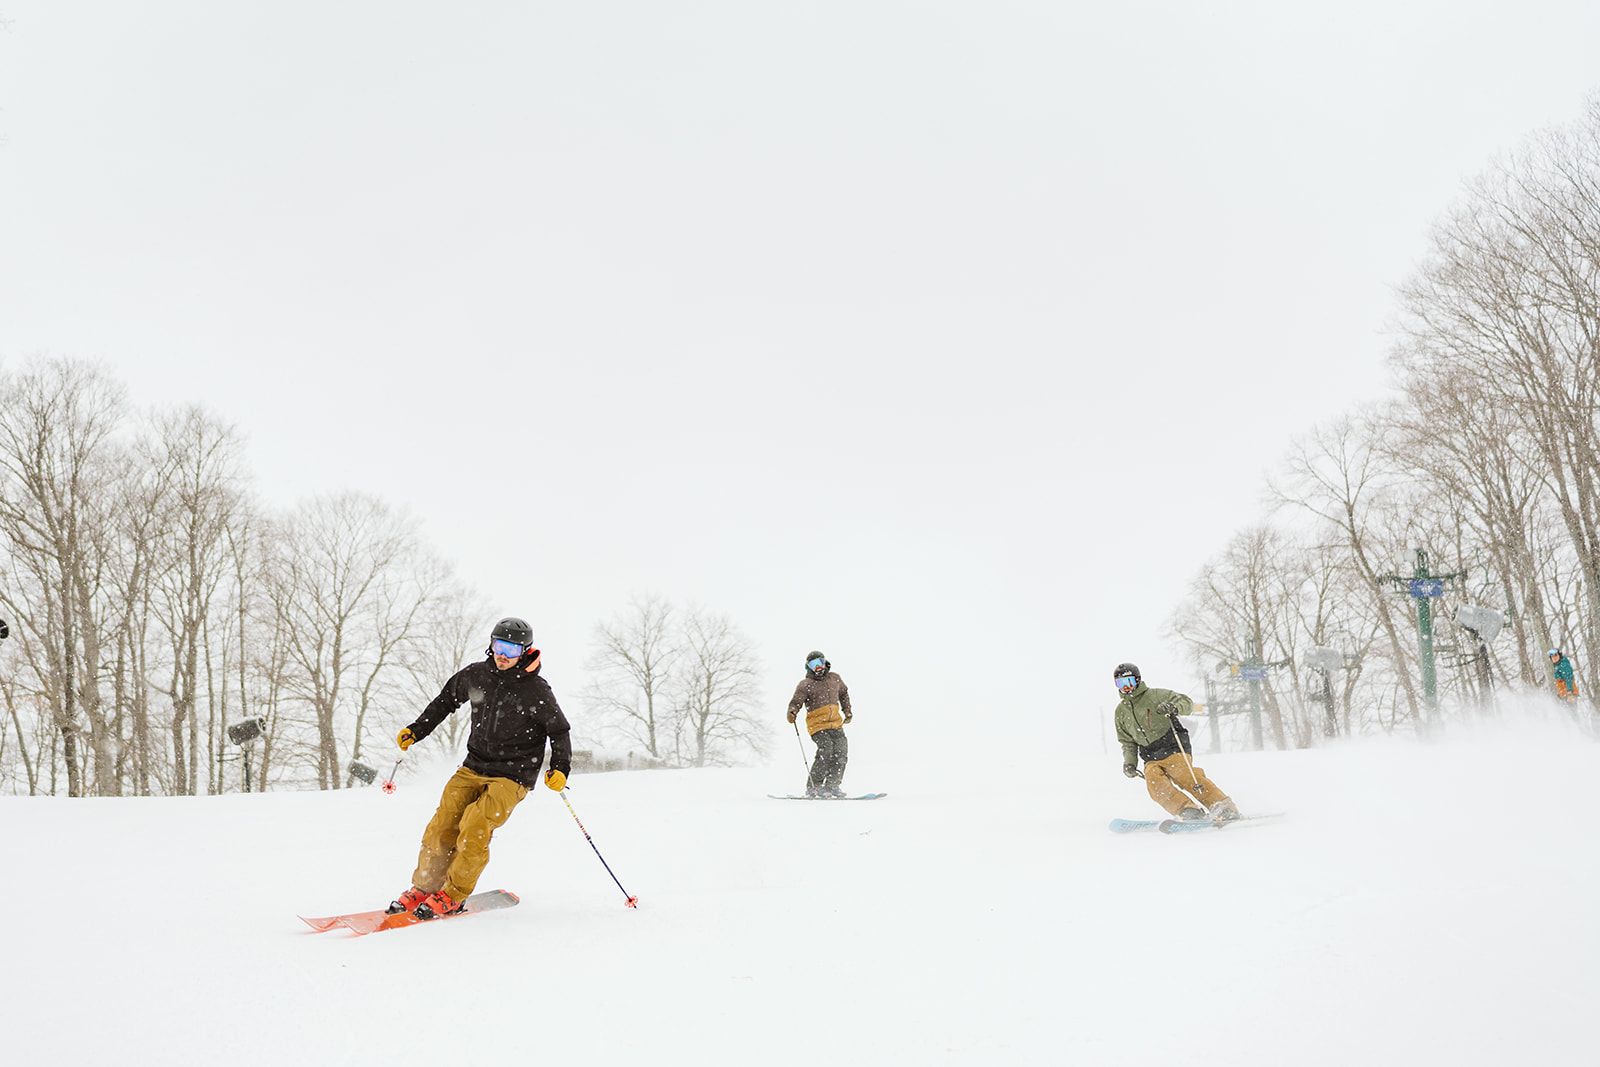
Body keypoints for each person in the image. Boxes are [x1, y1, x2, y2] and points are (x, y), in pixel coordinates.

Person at [387, 617, 572, 919]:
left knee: (474, 826)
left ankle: (453, 895)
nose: (503, 655)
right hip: (474, 765)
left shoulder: (536, 690)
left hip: (513, 774)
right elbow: (445, 700)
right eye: (499, 646)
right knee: (442, 824)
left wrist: (560, 767)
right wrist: (417, 730)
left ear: (524, 651)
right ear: (491, 644)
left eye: (512, 649)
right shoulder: (477, 675)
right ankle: (425, 887)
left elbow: (559, 730)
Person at [1113, 662, 1239, 822]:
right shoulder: (1121, 712)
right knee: (1154, 784)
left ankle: (1224, 807)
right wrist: (1130, 763)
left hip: (1171, 745)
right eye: (1120, 683)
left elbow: (1187, 702)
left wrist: (1173, 707)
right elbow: (1127, 741)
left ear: (1137, 680)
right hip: (1150, 755)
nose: (1125, 687)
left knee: (1184, 776)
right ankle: (1187, 810)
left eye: (1128, 681)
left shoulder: (1156, 695)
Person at [787, 650, 852, 798]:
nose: (818, 667)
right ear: (808, 667)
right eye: (813, 664)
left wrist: (847, 711)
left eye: (820, 663)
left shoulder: (835, 678)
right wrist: (792, 712)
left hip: (835, 723)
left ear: (824, 662)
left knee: (841, 752)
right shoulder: (806, 685)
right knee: (826, 750)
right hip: (817, 725)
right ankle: (814, 786)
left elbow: (844, 693)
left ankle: (832, 786)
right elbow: (796, 702)